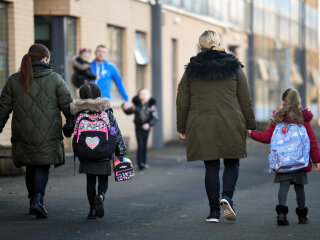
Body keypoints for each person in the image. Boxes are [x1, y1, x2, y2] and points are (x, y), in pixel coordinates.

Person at [176, 30, 256, 223]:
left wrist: (182, 126)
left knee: (210, 166)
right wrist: (250, 125)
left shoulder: (192, 69)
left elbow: (182, 100)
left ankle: (213, 212)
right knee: (231, 163)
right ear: (219, 43)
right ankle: (226, 197)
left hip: (202, 123)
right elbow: (245, 98)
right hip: (232, 121)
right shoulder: (234, 66)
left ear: (200, 45)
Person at [0, 43, 73, 219]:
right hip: (48, 134)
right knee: (42, 165)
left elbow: (3, 108)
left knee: (30, 166)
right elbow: (68, 106)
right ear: (45, 59)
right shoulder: (55, 79)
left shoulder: (14, 79)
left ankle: (32, 199)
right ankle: (38, 199)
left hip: (23, 132)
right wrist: (71, 124)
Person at [248, 88, 320, 226]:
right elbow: (312, 141)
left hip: (282, 161)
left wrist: (251, 133)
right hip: (300, 161)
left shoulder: (277, 119)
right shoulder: (303, 119)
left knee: (284, 187)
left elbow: (266, 137)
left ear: (282, 101)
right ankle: (302, 216)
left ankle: (281, 214)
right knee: (300, 188)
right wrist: (316, 160)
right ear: (298, 102)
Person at [63, 83, 126, 219]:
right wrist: (121, 152)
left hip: (86, 153)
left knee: (90, 181)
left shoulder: (79, 112)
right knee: (103, 179)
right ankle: (101, 196)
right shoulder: (106, 111)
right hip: (104, 151)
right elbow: (117, 133)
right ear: (99, 95)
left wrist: (70, 121)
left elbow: (67, 131)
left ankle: (92, 209)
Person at [122, 88, 158, 170]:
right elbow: (129, 111)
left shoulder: (151, 105)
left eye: (146, 94)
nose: (144, 96)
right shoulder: (136, 105)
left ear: (149, 95)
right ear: (139, 96)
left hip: (147, 128)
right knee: (140, 145)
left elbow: (155, 117)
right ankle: (140, 163)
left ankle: (144, 162)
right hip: (138, 127)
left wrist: (149, 124)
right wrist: (125, 108)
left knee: (144, 145)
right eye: (142, 94)